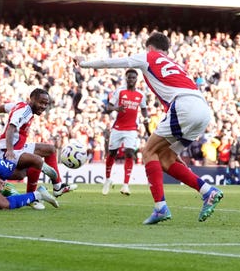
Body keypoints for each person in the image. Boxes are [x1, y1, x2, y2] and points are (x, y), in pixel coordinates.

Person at [76, 31, 223, 224]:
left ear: (150, 47)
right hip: (203, 110)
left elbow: (113, 62)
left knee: (148, 152)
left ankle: (160, 208)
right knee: (166, 158)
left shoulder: (149, 56)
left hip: (183, 106)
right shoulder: (177, 64)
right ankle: (207, 191)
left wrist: (84, 63)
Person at [0, 88, 77, 210]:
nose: (43, 106)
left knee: (50, 150)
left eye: (46, 104)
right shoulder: (24, 111)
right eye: (41, 102)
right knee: (34, 163)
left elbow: (0, 108)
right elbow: (11, 128)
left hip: (19, 148)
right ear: (32, 99)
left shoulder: (19, 106)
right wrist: (10, 150)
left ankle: (57, 186)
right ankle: (34, 196)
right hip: (6, 151)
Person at [102, 69, 150, 196]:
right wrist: (116, 108)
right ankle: (107, 180)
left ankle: (125, 185)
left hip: (131, 129)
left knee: (129, 153)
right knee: (112, 153)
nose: (131, 80)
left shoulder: (141, 95)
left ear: (136, 79)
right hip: (117, 127)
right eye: (129, 77)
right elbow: (108, 106)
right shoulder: (120, 91)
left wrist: (146, 119)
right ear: (126, 78)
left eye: (133, 78)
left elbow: (144, 109)